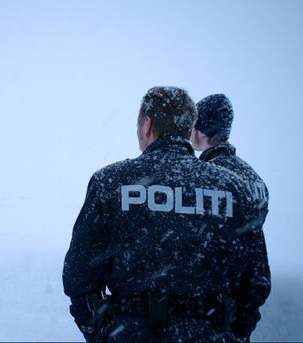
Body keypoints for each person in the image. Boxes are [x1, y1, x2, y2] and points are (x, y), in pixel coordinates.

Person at [63, 86, 266, 342]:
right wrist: (226, 329)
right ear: (187, 127)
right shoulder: (233, 188)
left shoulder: (111, 182)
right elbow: (256, 280)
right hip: (210, 333)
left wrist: (102, 331)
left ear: (147, 125)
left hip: (130, 334)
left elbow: (78, 276)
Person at [191, 94, 271, 341]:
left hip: (212, 310)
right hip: (241, 303)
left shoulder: (209, 179)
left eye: (193, 124)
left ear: (202, 131)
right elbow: (253, 247)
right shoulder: (254, 178)